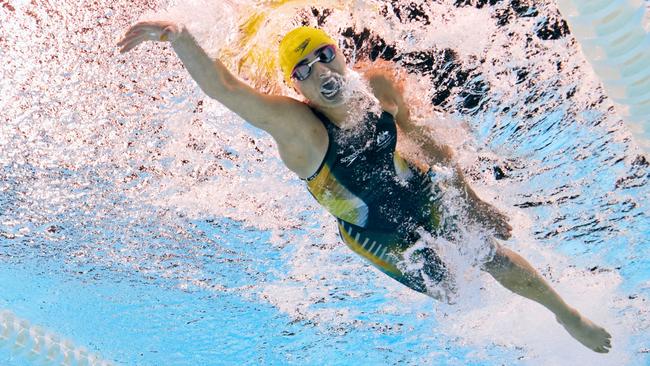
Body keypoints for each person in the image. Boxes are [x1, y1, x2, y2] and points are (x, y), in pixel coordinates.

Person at [117, 22, 612, 353]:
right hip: (372, 230)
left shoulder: (377, 85)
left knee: (488, 252)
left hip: (412, 185)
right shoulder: (300, 130)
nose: (320, 72)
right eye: (304, 70)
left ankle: (567, 315)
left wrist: (473, 200)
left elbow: (423, 140)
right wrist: (177, 36)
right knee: (457, 289)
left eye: (324, 55)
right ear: (296, 88)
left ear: (340, 54)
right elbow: (226, 90)